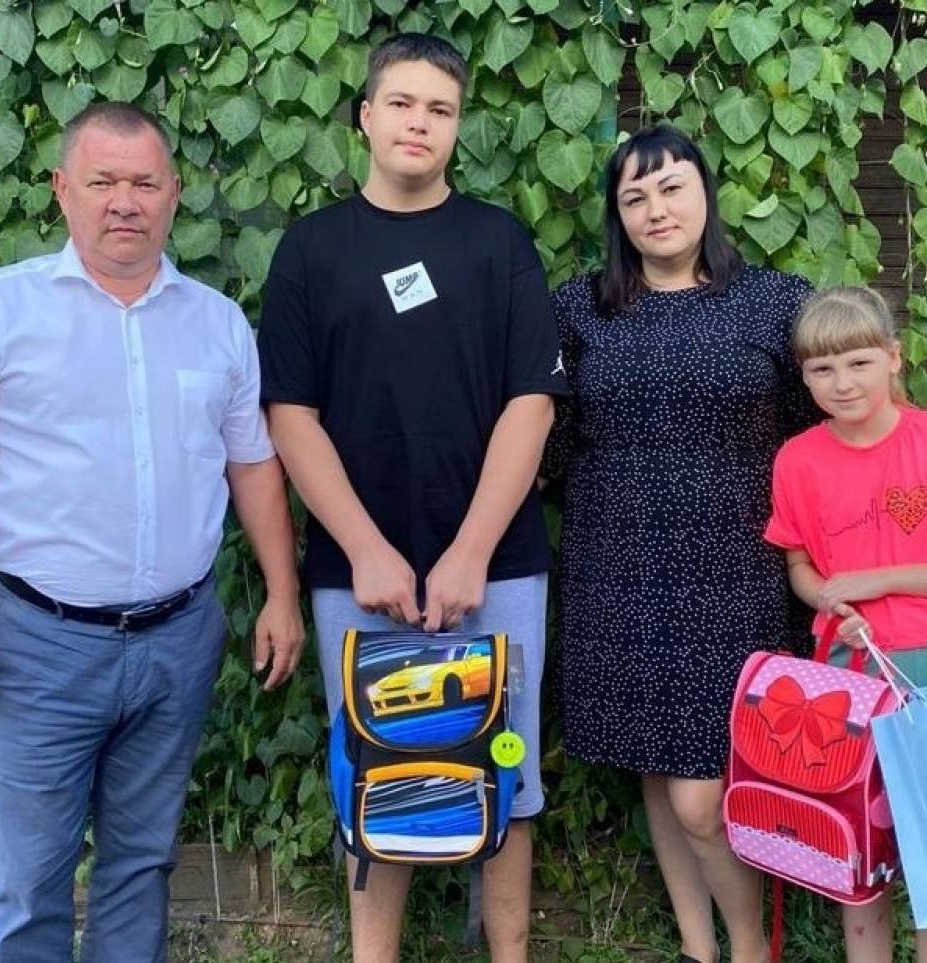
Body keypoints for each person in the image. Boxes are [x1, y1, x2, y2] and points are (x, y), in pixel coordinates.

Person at [0, 101, 305, 963]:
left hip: (177, 641)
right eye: (103, 181)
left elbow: (253, 465)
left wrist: (281, 592)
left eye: (145, 183)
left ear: (174, 193)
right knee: (30, 877)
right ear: (62, 189)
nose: (125, 201)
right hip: (38, 648)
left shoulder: (217, 323)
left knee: (142, 864)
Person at [258, 32, 566, 963]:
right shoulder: (311, 250)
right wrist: (366, 549)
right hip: (357, 572)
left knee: (508, 771)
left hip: (498, 566)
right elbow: (291, 415)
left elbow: (531, 402)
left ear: (458, 125)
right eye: (401, 103)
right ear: (365, 116)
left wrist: (471, 551)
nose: (419, 123)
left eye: (440, 108)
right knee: (376, 763)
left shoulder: (498, 242)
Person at [541, 125, 818, 963]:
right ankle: (700, 948)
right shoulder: (579, 308)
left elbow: (810, 439)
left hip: (736, 573)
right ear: (616, 215)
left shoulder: (776, 301)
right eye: (634, 197)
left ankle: (750, 948)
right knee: (657, 771)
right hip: (615, 567)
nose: (655, 210)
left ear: (705, 193)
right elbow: (552, 446)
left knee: (703, 792)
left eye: (671, 188)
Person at [764, 285, 927, 963]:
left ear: (894, 357)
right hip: (849, 681)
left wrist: (881, 579)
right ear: (804, 376)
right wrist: (830, 600)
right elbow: (800, 566)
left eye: (859, 362)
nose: (842, 382)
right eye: (822, 368)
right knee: (857, 858)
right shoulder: (798, 459)